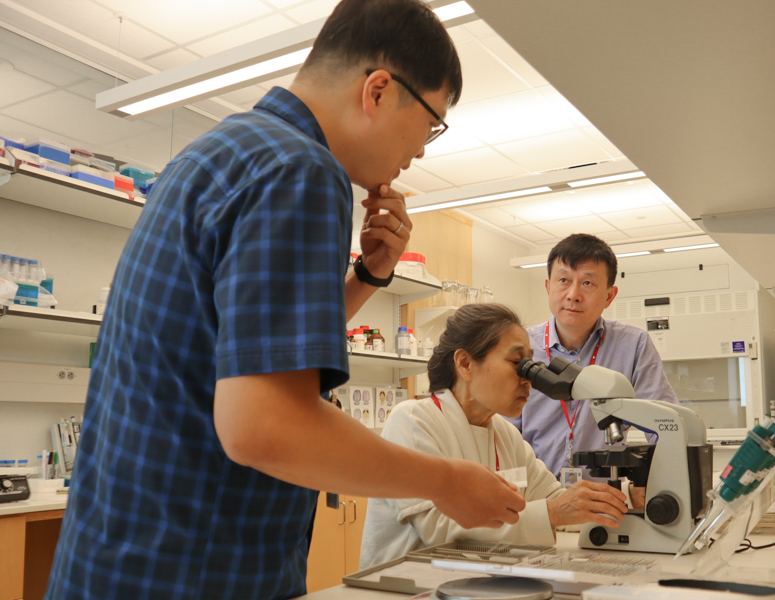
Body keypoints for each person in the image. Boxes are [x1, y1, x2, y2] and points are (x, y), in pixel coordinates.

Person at [45, 2, 525, 599]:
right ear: (378, 90)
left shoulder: (218, 151)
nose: (422, 151)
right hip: (196, 571)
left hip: (119, 562)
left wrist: (369, 278)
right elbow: (265, 427)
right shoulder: (303, 170)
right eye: (430, 124)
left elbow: (235, 348)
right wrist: (446, 480)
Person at [360, 304, 629, 569]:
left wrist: (625, 497)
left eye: (530, 365)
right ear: (465, 363)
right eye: (517, 363)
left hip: (477, 582)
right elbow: (439, 531)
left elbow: (556, 499)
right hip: (406, 587)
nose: (528, 379)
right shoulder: (414, 420)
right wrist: (553, 512)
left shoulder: (505, 433)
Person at [508, 234, 679, 482]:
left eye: (587, 283)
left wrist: (660, 482)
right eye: (564, 280)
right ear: (548, 287)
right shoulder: (520, 347)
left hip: (604, 499)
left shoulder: (633, 345)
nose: (573, 294)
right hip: (536, 497)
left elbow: (664, 424)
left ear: (609, 296)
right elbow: (503, 434)